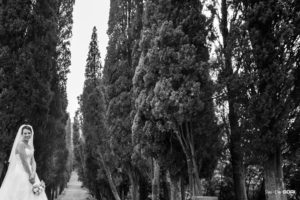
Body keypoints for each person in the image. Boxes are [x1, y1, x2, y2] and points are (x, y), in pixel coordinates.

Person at [0, 124, 47, 199]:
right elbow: (24, 162)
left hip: (31, 172)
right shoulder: (20, 145)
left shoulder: (30, 146)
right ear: (22, 134)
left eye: (29, 133)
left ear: (31, 134)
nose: (27, 135)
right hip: (21, 172)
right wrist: (30, 175)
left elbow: (33, 161)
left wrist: (34, 172)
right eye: (25, 133)